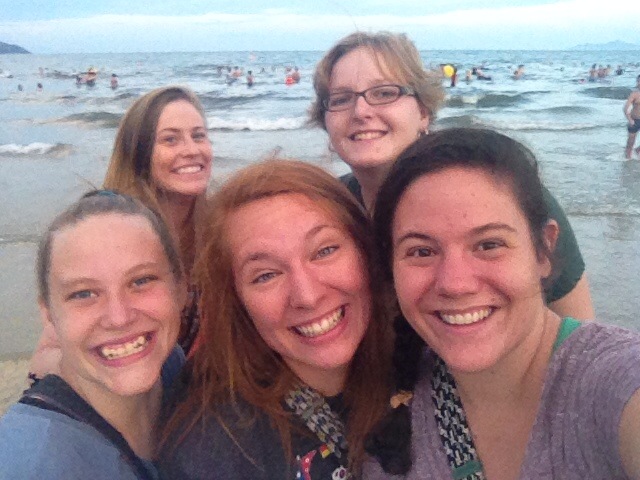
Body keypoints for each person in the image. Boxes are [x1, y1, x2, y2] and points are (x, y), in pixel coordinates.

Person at [364, 128, 640, 479]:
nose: (455, 284)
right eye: (421, 251)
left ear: (543, 250)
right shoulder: (388, 403)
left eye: (489, 244)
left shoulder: (614, 382)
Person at [310, 30, 594, 320]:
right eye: (341, 99)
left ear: (423, 112)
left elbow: (578, 331)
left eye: (384, 93)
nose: (360, 111)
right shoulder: (326, 212)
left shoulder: (502, 193)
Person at [158, 159, 393, 479]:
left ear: (365, 251)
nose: (307, 296)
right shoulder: (218, 448)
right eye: (266, 275)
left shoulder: (422, 366)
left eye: (324, 251)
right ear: (236, 300)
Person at [0, 191, 186, 479]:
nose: (119, 318)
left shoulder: (172, 365)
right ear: (49, 315)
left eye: (141, 280)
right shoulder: (30, 465)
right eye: (83, 294)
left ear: (180, 289)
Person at [29, 86, 212, 378]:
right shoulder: (109, 228)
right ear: (138, 152)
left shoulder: (215, 228)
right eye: (170, 139)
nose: (192, 150)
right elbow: (48, 355)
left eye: (199, 136)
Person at [624, 75, 640, 159]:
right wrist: (629, 119)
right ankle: (627, 160)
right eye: (639, 81)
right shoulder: (634, 94)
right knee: (630, 143)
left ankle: (637, 150)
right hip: (635, 120)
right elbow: (625, 108)